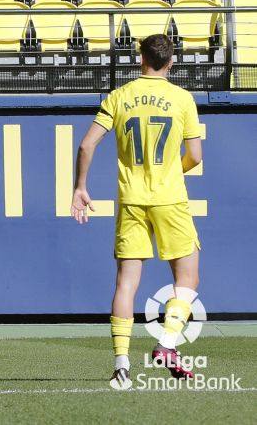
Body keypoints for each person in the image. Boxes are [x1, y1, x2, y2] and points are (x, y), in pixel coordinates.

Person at [71, 34, 203, 389]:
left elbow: (86, 144)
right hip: (170, 199)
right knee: (187, 280)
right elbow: (195, 155)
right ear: (171, 62)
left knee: (126, 284)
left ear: (140, 59)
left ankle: (121, 366)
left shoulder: (119, 96)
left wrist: (80, 187)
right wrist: (172, 171)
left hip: (132, 200)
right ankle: (167, 344)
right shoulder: (182, 99)